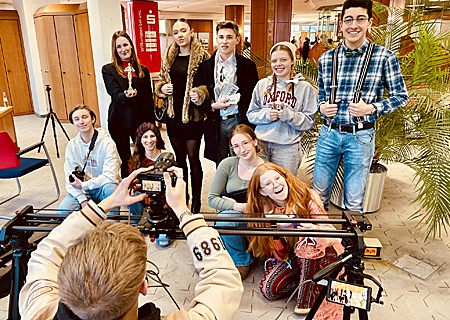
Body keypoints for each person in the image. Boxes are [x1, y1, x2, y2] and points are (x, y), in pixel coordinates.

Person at [19, 167, 244, 320]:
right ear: (143, 287)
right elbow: (223, 281)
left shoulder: (38, 311)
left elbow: (47, 252)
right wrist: (184, 211)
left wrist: (106, 203)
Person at [313, 0, 409, 213]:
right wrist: (322, 107)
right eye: (348, 19)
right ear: (341, 24)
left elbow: (401, 96)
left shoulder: (384, 57)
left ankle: (350, 244)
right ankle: (316, 241)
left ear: (370, 23)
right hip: (328, 133)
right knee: (318, 194)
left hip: (361, 136)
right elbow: (321, 94)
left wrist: (372, 108)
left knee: (354, 198)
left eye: (360, 19)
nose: (353, 25)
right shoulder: (327, 58)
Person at [245, 162, 344, 318]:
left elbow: (332, 232)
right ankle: (309, 281)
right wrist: (276, 233)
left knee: (307, 245)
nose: (275, 185)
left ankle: (306, 300)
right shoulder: (265, 210)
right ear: (262, 192)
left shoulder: (308, 195)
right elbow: (277, 254)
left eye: (278, 178)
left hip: (323, 253)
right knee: (269, 289)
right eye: (268, 184)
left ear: (285, 177)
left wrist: (315, 230)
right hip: (292, 258)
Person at [155, 18, 210, 213]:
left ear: (191, 31)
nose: (180, 35)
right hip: (173, 114)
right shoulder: (169, 56)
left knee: (193, 158)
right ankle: (183, 198)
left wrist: (201, 92)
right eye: (176, 31)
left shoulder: (203, 56)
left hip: (193, 116)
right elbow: (160, 81)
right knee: (179, 159)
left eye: (183, 30)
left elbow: (209, 85)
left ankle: (196, 202)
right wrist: (162, 87)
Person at [193, 20, 259, 165]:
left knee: (243, 160)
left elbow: (255, 98)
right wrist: (211, 105)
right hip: (216, 121)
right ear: (216, 39)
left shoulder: (248, 67)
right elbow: (197, 95)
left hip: (239, 119)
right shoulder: (205, 66)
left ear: (237, 39)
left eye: (229, 37)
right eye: (221, 37)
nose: (225, 41)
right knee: (221, 164)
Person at [247, 42, 317, 175]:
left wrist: (288, 115)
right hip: (261, 144)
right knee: (261, 187)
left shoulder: (304, 88)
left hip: (287, 147)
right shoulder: (262, 84)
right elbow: (251, 114)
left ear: (292, 61)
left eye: (283, 59)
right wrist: (268, 114)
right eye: (274, 61)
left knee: (286, 186)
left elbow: (308, 121)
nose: (278, 64)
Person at [208, 124, 264, 279]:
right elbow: (212, 199)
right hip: (235, 216)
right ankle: (239, 257)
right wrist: (238, 206)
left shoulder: (266, 168)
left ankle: (247, 257)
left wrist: (250, 208)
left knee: (227, 219)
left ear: (255, 141)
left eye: (245, 143)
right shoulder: (227, 164)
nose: (242, 150)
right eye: (236, 146)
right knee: (225, 220)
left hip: (258, 218)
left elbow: (273, 203)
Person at [102, 31, 155, 179]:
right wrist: (124, 96)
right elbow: (114, 92)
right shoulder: (108, 69)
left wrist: (152, 124)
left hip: (140, 120)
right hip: (119, 120)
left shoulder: (142, 70)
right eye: (119, 46)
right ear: (115, 50)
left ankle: (145, 185)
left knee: (142, 154)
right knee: (124, 157)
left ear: (131, 46)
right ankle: (127, 186)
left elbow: (147, 98)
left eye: (125, 44)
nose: (123, 49)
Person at [57, 104, 121, 215]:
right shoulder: (72, 145)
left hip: (103, 187)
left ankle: (112, 225)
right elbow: (70, 178)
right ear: (73, 123)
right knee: (62, 212)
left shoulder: (107, 143)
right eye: (76, 119)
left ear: (93, 119)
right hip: (83, 190)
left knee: (112, 189)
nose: (81, 122)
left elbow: (110, 177)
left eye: (84, 117)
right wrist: (83, 200)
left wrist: (84, 185)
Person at [128, 122, 173, 247]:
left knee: (163, 241)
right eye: (145, 137)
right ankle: (140, 222)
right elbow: (131, 183)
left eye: (152, 136)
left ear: (157, 137)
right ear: (140, 140)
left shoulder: (167, 156)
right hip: (144, 198)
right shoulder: (136, 158)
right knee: (131, 196)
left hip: (164, 200)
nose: (149, 140)